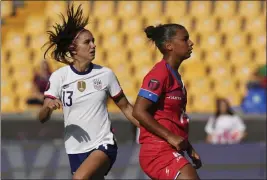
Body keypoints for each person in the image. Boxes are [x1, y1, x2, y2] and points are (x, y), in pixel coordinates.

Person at [38, 4, 139, 180]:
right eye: (87, 42)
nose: (93, 46)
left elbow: (126, 108)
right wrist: (48, 108)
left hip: (103, 143)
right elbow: (42, 117)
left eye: (93, 41)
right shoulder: (59, 77)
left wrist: (152, 130)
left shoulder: (106, 74)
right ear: (73, 48)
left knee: (79, 179)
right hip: (75, 149)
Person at [132, 24, 202, 180]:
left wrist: (189, 148)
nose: (191, 43)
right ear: (169, 45)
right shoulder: (160, 73)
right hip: (158, 150)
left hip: (171, 149)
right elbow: (138, 111)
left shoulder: (174, 75)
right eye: (185, 39)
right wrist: (170, 137)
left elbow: (171, 118)